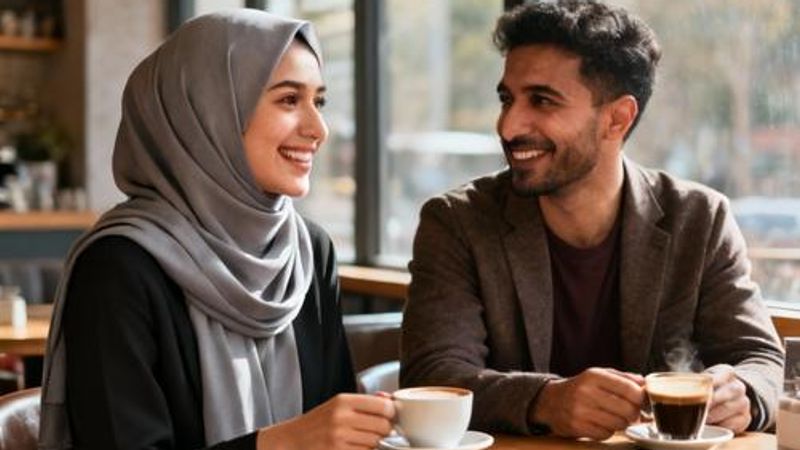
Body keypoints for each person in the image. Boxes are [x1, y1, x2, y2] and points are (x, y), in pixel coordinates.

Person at [400, 0, 784, 441]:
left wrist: (743, 393)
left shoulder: (699, 219)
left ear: (617, 119)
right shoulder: (457, 222)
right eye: (507, 98)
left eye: (541, 100)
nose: (508, 126)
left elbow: (761, 360)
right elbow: (433, 375)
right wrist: (546, 400)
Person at [39, 10, 394, 450]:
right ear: (210, 113)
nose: (318, 129)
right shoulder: (117, 268)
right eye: (288, 100)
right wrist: (282, 443)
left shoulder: (308, 251)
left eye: (318, 101)